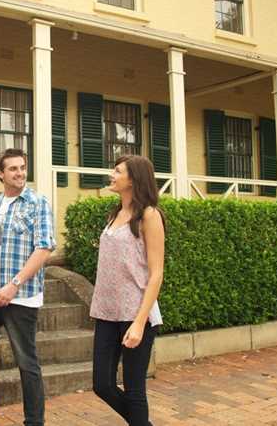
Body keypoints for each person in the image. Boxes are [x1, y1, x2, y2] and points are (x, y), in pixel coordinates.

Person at [0, 148, 56, 426]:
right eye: (12, 169)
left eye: (22, 167)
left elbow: (45, 247)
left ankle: (34, 422)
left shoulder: (37, 202)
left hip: (20, 297)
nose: (20, 173)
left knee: (27, 363)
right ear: (0, 174)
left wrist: (13, 285)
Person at [90, 155, 165, 426]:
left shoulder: (149, 215)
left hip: (136, 313)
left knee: (135, 391)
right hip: (107, 312)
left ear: (133, 179)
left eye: (117, 171)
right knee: (102, 384)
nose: (112, 174)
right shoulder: (115, 214)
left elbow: (156, 273)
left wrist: (139, 322)